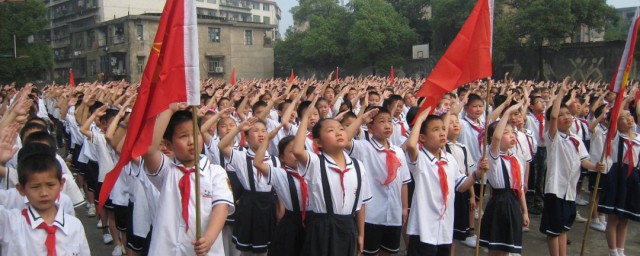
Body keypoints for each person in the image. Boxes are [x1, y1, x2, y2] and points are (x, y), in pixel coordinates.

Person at [142, 106, 234, 256]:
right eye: (183, 136)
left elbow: (221, 208)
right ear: (168, 144)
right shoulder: (166, 170)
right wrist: (169, 111)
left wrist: (208, 239)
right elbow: (149, 150)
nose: (191, 141)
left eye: (196, 134)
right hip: (166, 249)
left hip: (203, 250)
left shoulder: (215, 172)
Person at [292, 95, 372, 256]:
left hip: (348, 226)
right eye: (330, 131)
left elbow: (361, 204)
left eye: (341, 129)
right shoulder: (316, 163)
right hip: (322, 227)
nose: (338, 133)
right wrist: (306, 117)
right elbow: (298, 150)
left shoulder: (357, 166)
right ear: (318, 143)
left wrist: (361, 234)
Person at [404, 107, 487, 256]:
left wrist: (477, 173)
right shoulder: (421, 159)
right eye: (435, 130)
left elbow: (461, 186)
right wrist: (421, 120)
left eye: (443, 129)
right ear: (422, 137)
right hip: (423, 228)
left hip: (444, 228)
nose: (442, 133)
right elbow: (411, 145)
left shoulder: (449, 159)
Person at [541, 80, 604, 256]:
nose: (566, 117)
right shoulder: (553, 137)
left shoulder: (576, 138)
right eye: (561, 115)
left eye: (568, 113)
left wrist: (596, 167)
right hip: (556, 190)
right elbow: (552, 117)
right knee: (554, 230)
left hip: (569, 191)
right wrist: (561, 94)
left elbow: (584, 161)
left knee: (564, 228)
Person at [0, 143, 90, 255]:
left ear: (61, 184)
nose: (44, 193)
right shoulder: (9, 223)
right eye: (35, 187)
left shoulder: (74, 225)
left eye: (50, 185)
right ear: (21, 189)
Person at [344, 106, 411, 256]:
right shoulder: (363, 148)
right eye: (381, 122)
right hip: (371, 214)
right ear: (370, 128)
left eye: (389, 121)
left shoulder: (398, 151)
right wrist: (360, 119)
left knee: (388, 251)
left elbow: (404, 182)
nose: (387, 125)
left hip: (393, 213)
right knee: (367, 251)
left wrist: (404, 207)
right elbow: (344, 140)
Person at [479, 102, 528, 256]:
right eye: (507, 132)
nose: (512, 135)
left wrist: (525, 212)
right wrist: (507, 114)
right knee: (495, 248)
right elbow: (496, 138)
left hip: (513, 204)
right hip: (499, 204)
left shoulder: (515, 160)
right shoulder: (494, 157)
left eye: (513, 132)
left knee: (507, 248)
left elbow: (519, 188)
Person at [598, 90, 640, 256]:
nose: (628, 119)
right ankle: (613, 251)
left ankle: (621, 250)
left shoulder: (637, 138)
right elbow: (614, 118)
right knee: (614, 217)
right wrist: (623, 100)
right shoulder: (615, 137)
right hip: (618, 177)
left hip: (632, 177)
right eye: (623, 117)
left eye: (629, 115)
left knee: (625, 218)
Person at [254, 135, 306, 256]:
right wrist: (267, 140)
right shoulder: (280, 173)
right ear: (282, 157)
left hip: (312, 222)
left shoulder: (311, 171)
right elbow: (257, 163)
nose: (298, 155)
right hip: (292, 224)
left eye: (301, 150)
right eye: (292, 152)